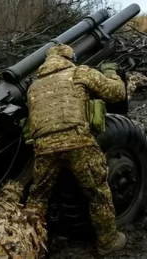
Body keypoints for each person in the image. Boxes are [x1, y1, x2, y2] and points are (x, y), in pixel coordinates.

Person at [26, 44, 127, 256]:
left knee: (37, 199)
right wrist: (110, 72)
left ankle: (29, 248)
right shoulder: (79, 72)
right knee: (98, 193)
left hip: (44, 148)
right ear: (69, 57)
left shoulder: (34, 86)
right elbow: (117, 93)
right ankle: (108, 242)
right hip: (78, 143)